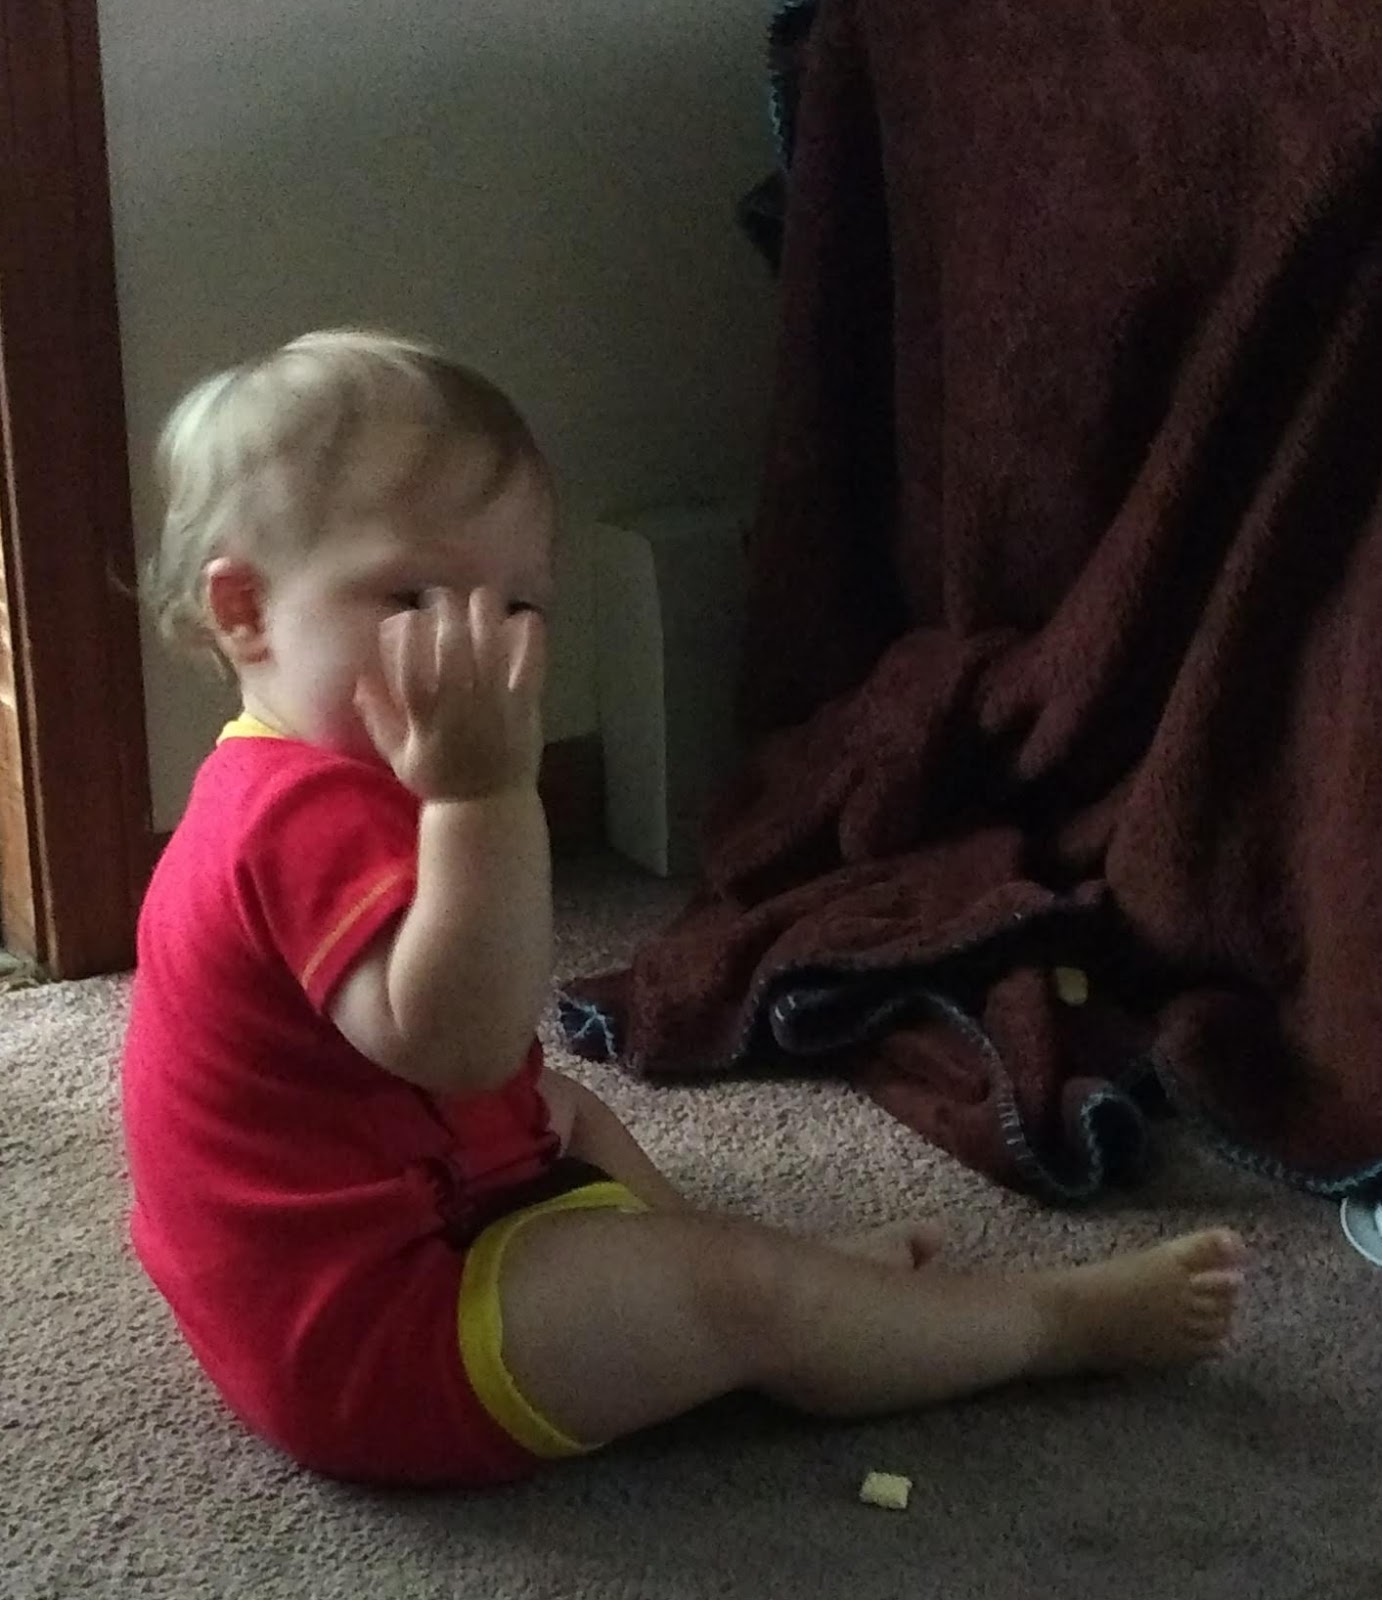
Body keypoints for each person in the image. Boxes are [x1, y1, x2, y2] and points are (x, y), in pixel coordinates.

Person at [122, 329, 1247, 1489]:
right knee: (736, 1293)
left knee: (573, 1113)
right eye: (414, 595)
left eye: (516, 605)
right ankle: (1038, 1326)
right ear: (247, 611)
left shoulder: (309, 773)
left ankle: (751, 1297)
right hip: (376, 1334)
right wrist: (482, 797)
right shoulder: (299, 817)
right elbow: (462, 1045)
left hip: (368, 1240)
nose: (479, 649)